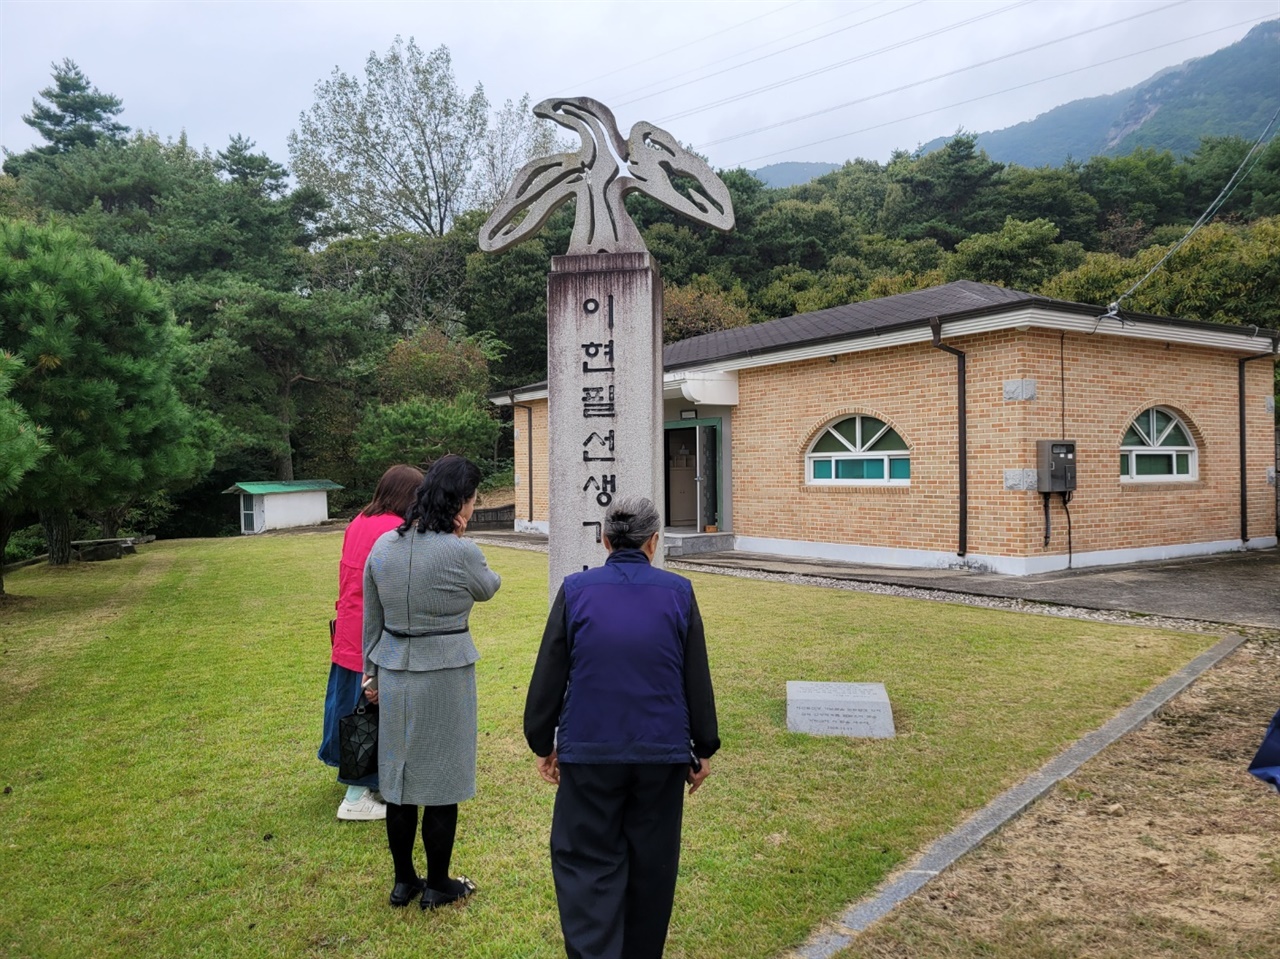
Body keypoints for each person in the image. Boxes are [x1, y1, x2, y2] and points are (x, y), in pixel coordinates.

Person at [524, 496, 719, 959]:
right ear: (654, 543)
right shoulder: (679, 592)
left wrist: (542, 740)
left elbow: (551, 670)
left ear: (605, 540)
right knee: (652, 867)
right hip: (662, 753)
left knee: (586, 861)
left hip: (590, 751)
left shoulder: (576, 591)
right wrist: (704, 745)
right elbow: (695, 675)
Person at [362, 454, 501, 909]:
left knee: (399, 784)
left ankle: (405, 881)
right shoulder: (461, 551)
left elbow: (372, 619)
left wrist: (370, 674)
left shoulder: (383, 547)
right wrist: (461, 537)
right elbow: (488, 586)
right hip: (443, 673)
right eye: (473, 500)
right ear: (461, 501)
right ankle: (438, 883)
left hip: (394, 671)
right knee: (442, 783)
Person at [319, 463, 423, 821]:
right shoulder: (395, 530)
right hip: (375, 635)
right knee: (373, 712)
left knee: (355, 709)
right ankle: (355, 795)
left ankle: (370, 782)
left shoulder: (359, 521)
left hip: (349, 631)